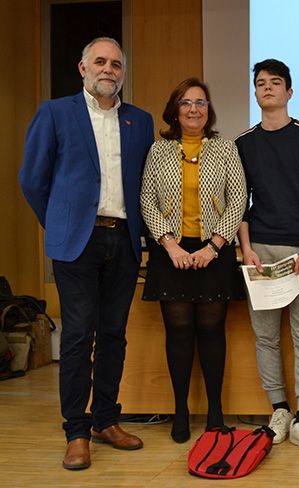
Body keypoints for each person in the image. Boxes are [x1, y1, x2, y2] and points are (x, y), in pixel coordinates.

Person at [19, 37, 154, 470]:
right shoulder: (55, 113)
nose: (108, 69)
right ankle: (76, 431)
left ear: (123, 72)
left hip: (124, 240)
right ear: (83, 68)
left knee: (114, 334)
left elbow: (145, 185)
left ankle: (106, 420)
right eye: (100, 61)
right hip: (77, 243)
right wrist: (60, 221)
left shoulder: (140, 121)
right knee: (77, 336)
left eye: (116, 64)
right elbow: (32, 179)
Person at [140, 78, 246, 444]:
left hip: (213, 250)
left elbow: (237, 200)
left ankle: (215, 412)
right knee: (179, 332)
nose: (193, 109)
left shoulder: (225, 148)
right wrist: (170, 246)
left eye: (200, 103)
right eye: (186, 102)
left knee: (213, 331)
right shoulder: (159, 150)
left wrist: (213, 247)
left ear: (208, 110)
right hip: (171, 251)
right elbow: (146, 200)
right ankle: (181, 411)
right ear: (175, 109)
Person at [236, 59, 299, 455]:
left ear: (289, 92)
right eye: (261, 83)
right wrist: (245, 249)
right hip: (259, 252)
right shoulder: (242, 144)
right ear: (255, 93)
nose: (268, 88)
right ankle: (279, 410)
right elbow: (239, 203)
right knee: (266, 336)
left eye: (276, 82)